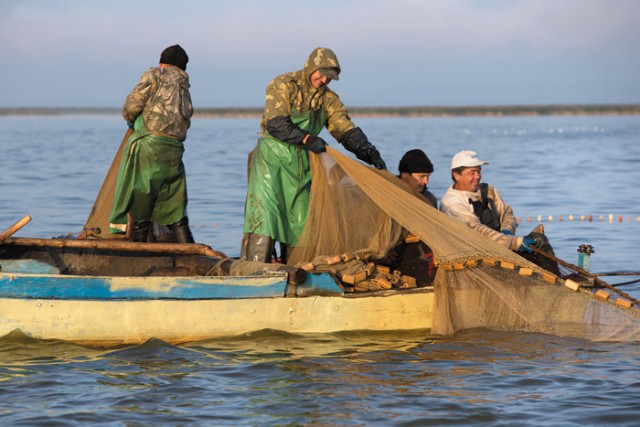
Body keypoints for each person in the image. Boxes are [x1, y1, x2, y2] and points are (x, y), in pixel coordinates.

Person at [241, 47, 387, 263]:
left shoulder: (328, 99)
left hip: (301, 168)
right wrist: (308, 139)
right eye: (321, 74)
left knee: (303, 224)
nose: (323, 80)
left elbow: (344, 129)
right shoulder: (284, 84)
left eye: (329, 77)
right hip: (271, 164)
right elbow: (276, 124)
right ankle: (254, 274)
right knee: (266, 217)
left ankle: (294, 273)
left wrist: (368, 151)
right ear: (311, 67)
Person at [109, 44, 195, 243]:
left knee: (141, 200)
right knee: (175, 206)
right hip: (175, 148)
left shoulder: (155, 74)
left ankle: (139, 253)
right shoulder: (184, 84)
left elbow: (132, 105)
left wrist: (131, 120)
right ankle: (188, 250)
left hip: (151, 145)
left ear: (162, 63)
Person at [440, 150, 536, 253]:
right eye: (472, 173)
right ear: (456, 175)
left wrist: (507, 231)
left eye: (479, 171)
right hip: (474, 253)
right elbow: (476, 231)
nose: (478, 176)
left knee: (538, 239)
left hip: (501, 247)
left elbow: (507, 213)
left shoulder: (487, 191)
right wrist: (513, 242)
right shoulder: (452, 203)